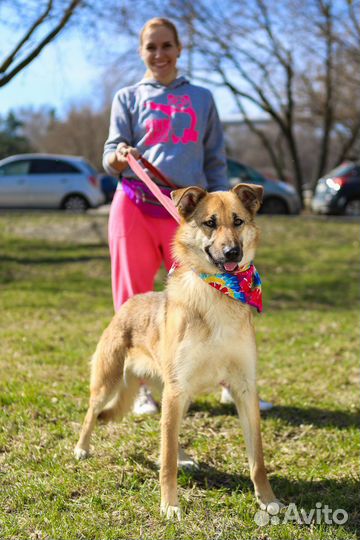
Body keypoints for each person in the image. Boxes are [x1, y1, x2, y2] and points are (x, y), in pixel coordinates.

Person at [102, 17, 272, 414]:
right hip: (135, 205)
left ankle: (233, 380)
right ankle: (143, 388)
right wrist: (120, 154)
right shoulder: (128, 97)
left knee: (220, 292)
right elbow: (109, 154)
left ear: (179, 49)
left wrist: (226, 208)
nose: (159, 54)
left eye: (166, 45)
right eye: (151, 47)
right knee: (134, 299)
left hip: (195, 217)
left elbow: (215, 161)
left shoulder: (202, 98)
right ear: (142, 52)